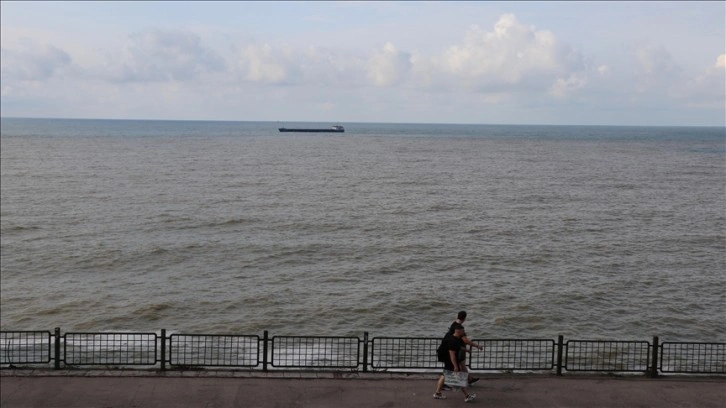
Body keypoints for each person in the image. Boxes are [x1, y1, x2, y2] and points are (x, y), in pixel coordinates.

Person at [433, 323, 476, 402]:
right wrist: (455, 366)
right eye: (463, 331)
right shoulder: (453, 341)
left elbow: (458, 347)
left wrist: (466, 350)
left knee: (445, 375)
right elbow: (452, 354)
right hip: (451, 361)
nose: (464, 333)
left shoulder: (455, 338)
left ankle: (437, 393)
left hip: (448, 360)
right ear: (459, 331)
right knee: (458, 377)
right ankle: (467, 396)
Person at [447, 311, 483, 385]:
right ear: (465, 318)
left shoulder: (453, 324)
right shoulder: (460, 328)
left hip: (455, 347)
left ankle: (468, 378)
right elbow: (465, 340)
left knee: (461, 365)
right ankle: (466, 380)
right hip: (458, 348)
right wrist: (477, 346)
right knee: (460, 365)